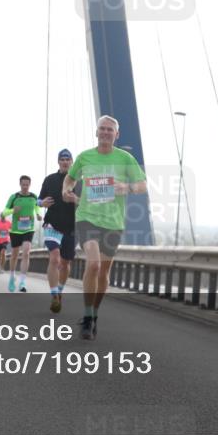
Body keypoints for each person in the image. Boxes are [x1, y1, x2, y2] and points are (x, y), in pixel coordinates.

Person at [63, 116, 146, 340]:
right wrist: (66, 190)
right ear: (96, 132)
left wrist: (126, 187)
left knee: (104, 273)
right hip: (87, 218)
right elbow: (70, 178)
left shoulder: (125, 158)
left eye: (110, 130)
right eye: (103, 129)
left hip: (113, 223)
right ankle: (87, 316)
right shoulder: (84, 157)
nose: (106, 132)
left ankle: (94, 314)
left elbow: (142, 185)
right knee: (94, 264)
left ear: (116, 135)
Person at [39, 149, 79, 313]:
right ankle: (54, 295)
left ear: (72, 162)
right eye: (62, 159)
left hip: (72, 227)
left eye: (67, 159)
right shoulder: (49, 179)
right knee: (55, 258)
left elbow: (87, 202)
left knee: (65, 263)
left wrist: (77, 200)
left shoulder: (79, 181)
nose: (65, 162)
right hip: (52, 224)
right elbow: (39, 199)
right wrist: (41, 203)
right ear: (58, 162)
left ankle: (60, 290)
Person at [3, 175, 41, 293]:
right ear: (20, 184)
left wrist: (38, 214)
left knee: (26, 252)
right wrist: (12, 210)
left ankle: (22, 281)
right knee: (14, 255)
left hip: (29, 229)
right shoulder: (14, 197)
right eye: (23, 184)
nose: (25, 187)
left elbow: (37, 207)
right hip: (15, 230)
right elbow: (4, 213)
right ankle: (12, 277)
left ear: (30, 185)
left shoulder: (33, 196)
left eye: (27, 185)